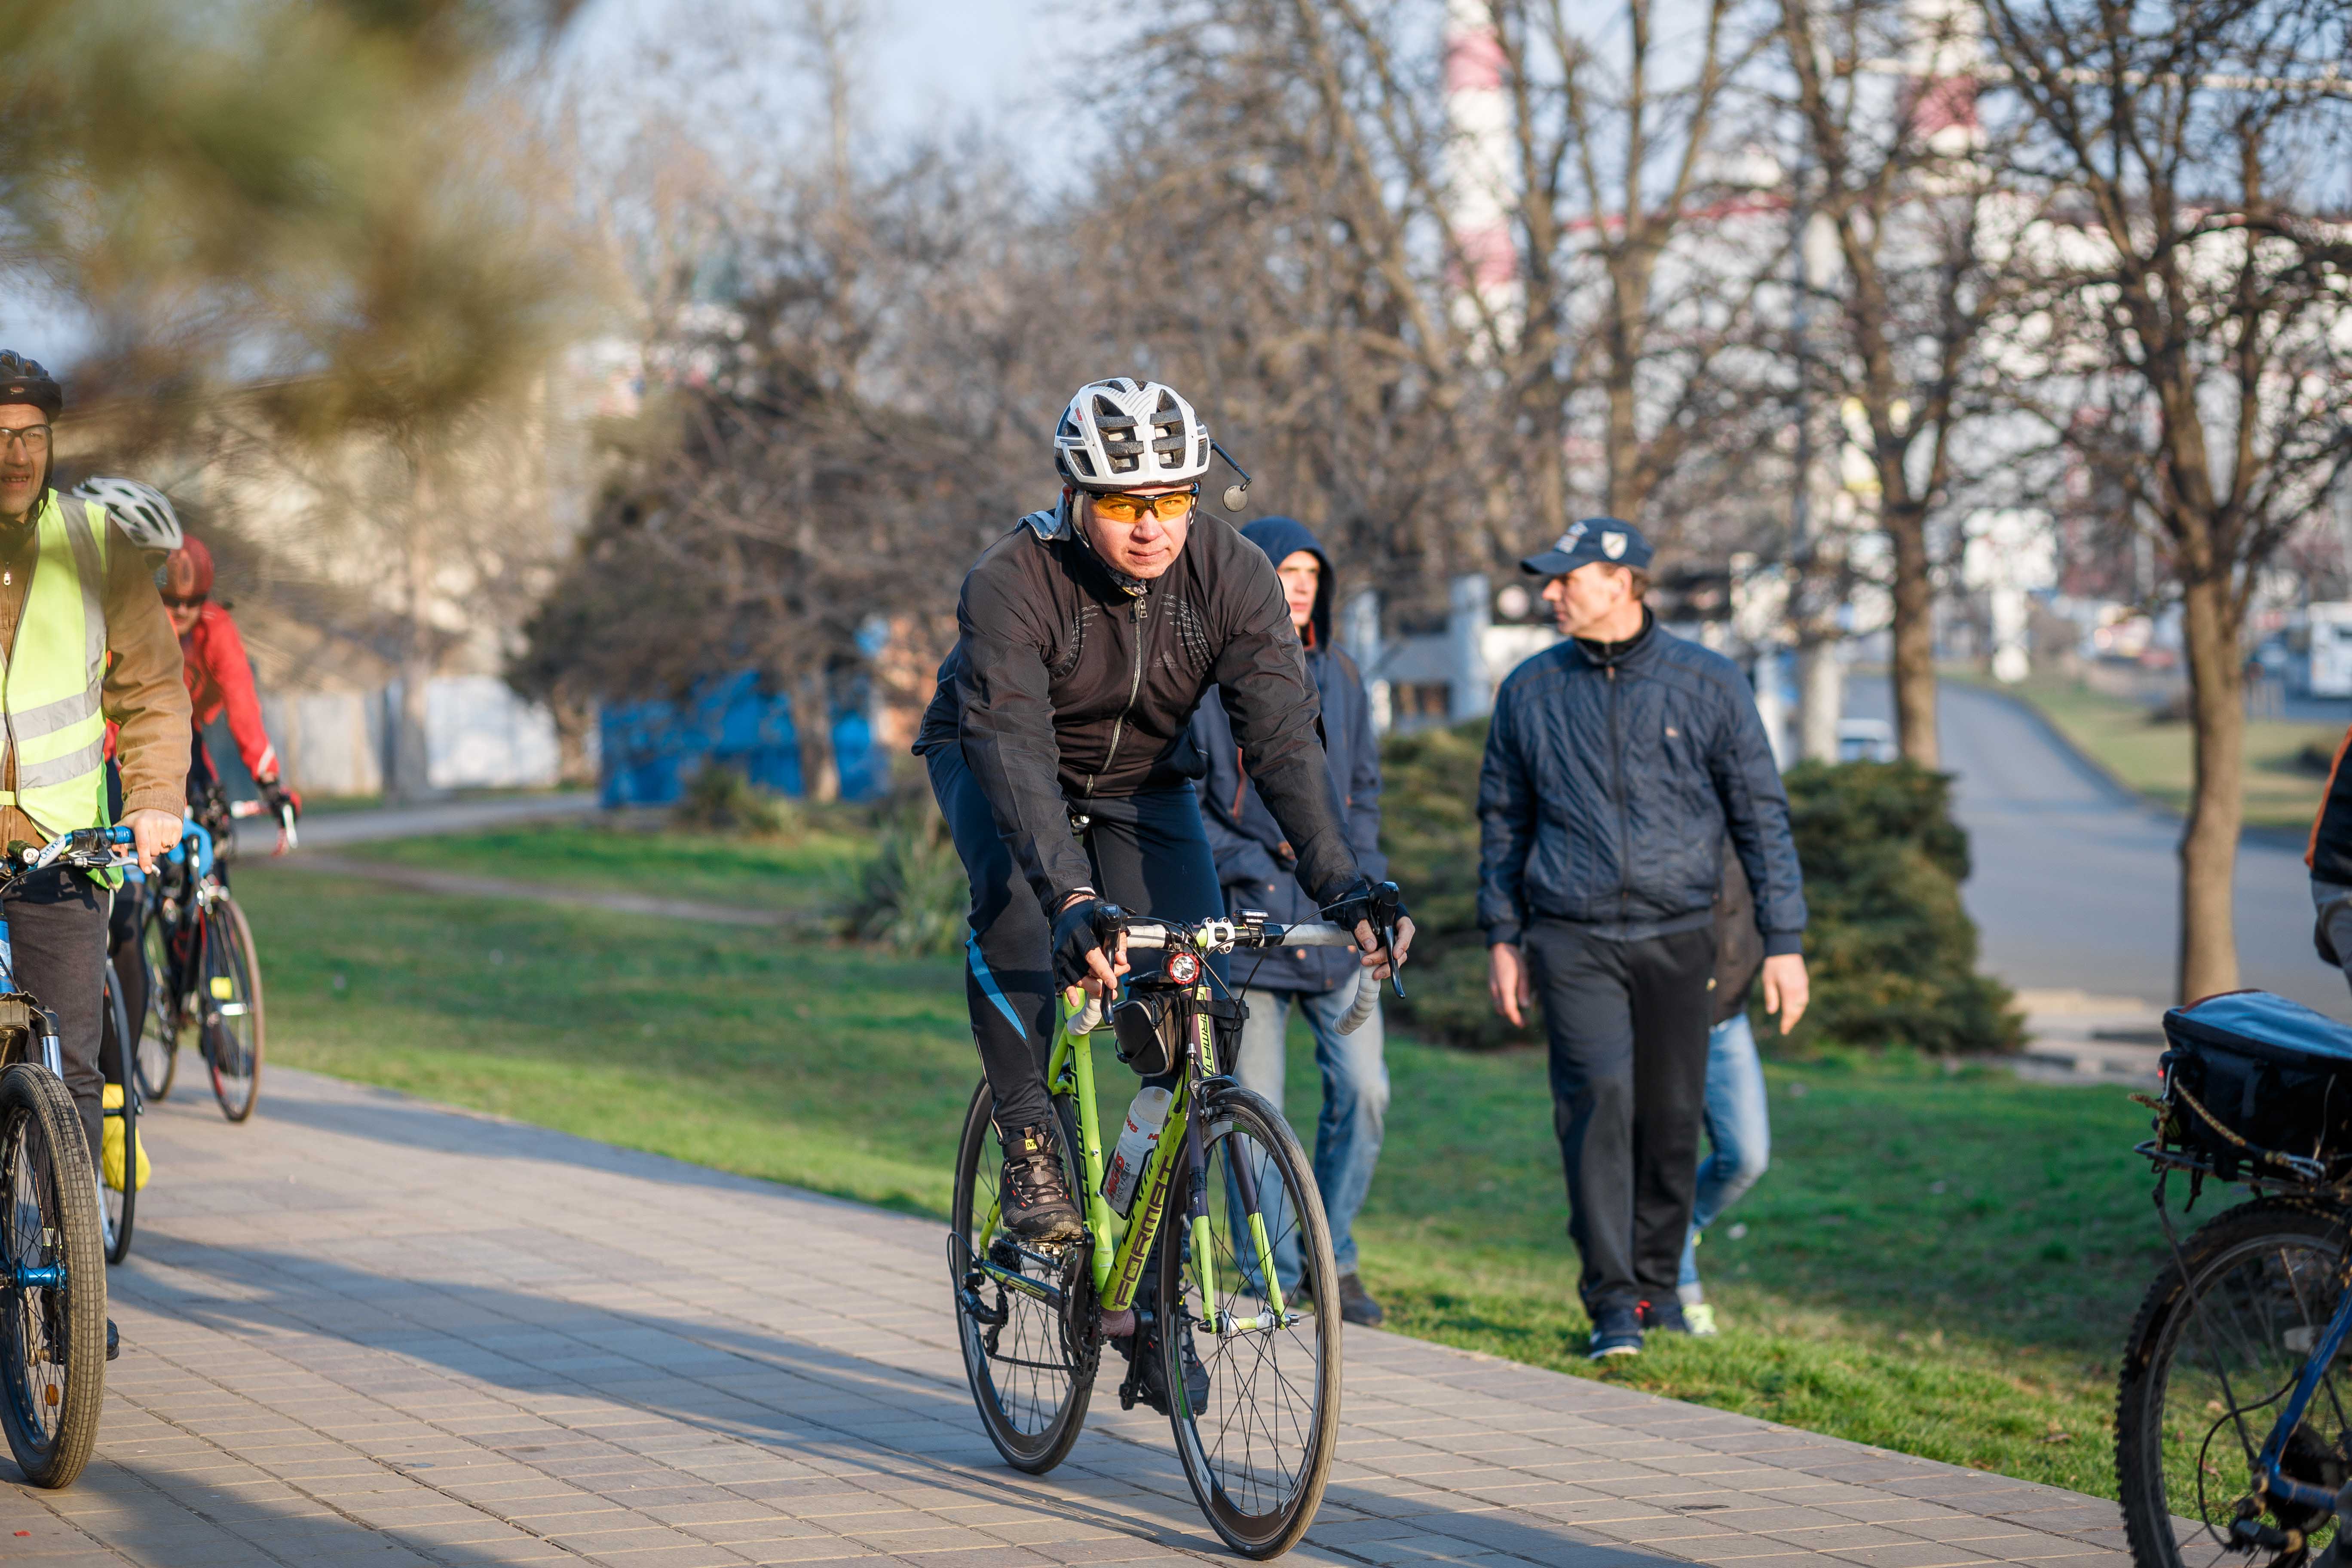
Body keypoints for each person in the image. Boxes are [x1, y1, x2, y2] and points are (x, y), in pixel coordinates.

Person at [913, 377, 1410, 1402]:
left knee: (1194, 1009)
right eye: (1122, 503)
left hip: (1145, 786)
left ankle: (1153, 1295)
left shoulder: (1232, 574)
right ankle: (1031, 1142)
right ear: (1073, 496)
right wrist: (1069, 899)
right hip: (998, 758)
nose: (1151, 527)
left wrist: (1344, 882)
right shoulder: (1011, 579)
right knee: (1017, 911)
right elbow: (1015, 752)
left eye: (1173, 500)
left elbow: (1284, 740)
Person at [1479, 518, 1807, 1360]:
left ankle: (1658, 1288)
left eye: (1567, 579)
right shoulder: (1529, 690)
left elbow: (1761, 816)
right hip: (1572, 935)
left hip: (1680, 933)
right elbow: (1503, 822)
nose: (1551, 593)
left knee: (1671, 1118)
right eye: (1550, 581)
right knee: (1599, 1105)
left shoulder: (1708, 682)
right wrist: (1504, 938)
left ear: (1621, 582)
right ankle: (1611, 1304)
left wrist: (1784, 940)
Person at [0, 353, 194, 1361]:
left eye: (30, 435)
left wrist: (154, 802)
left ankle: (72, 1288)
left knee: (71, 1066)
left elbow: (153, 688)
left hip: (61, 850)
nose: (15, 455)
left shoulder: (93, 542)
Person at [1188, 518, 1390, 1327]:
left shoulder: (1343, 674)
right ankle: (1273, 1269)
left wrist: (1358, 878)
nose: (1300, 586)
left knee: (1365, 1091)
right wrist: (1264, 858)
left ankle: (1332, 1259)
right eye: (1285, 571)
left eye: (1312, 574)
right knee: (1256, 1110)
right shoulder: (1207, 681)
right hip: (1250, 935)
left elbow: (1361, 795)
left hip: (1335, 929)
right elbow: (1189, 810)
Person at [1677, 848, 1772, 1337]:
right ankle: (1682, 1293)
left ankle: (1673, 1231)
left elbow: (1775, 883)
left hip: (1725, 1016)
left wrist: (1784, 950)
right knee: (1663, 1161)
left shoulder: (1746, 818)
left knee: (1746, 1157)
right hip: (1661, 1016)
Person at [159, 534, 300, 840]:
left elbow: (242, 702)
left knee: (211, 812)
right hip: (137, 729)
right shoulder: (144, 625)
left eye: (193, 602)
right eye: (172, 600)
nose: (182, 610)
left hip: (188, 727)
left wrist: (268, 779)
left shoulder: (216, 628)